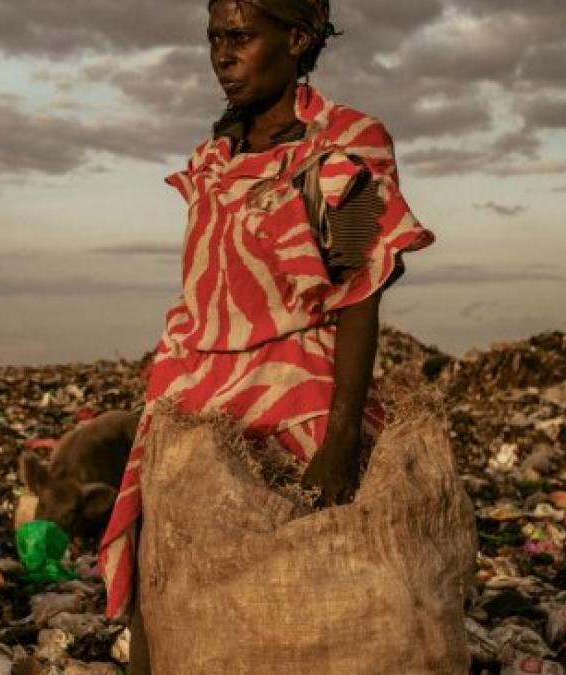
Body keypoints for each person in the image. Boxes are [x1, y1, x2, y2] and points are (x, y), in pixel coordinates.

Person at [97, 0, 434, 670]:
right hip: (194, 410)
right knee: (167, 597)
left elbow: (359, 291)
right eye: (215, 38)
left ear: (298, 39)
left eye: (242, 37)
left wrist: (339, 438)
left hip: (297, 408)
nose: (223, 54)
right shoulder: (214, 158)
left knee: (308, 609)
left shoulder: (343, 146)